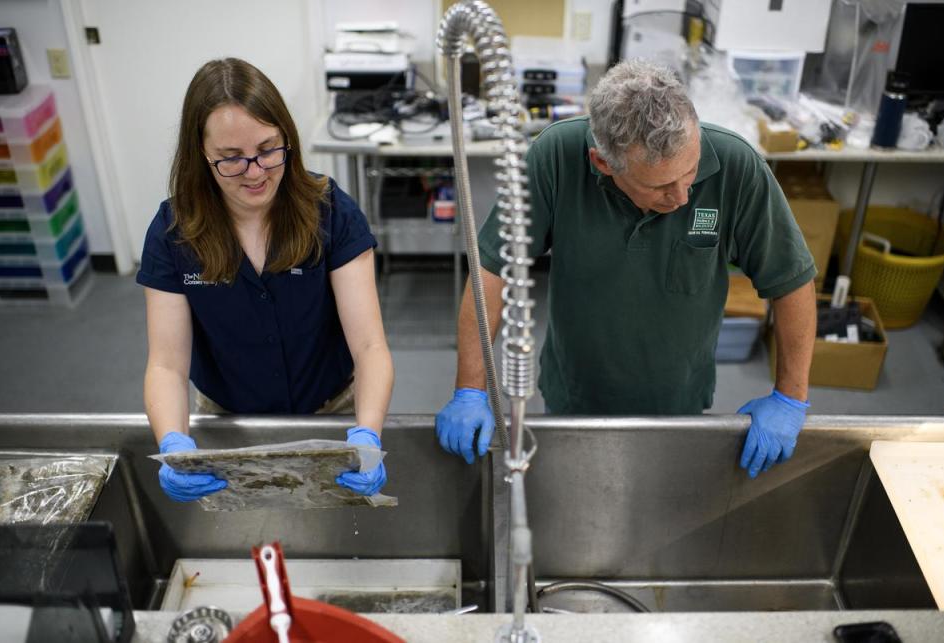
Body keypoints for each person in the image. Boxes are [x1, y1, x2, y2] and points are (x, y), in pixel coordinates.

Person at [436, 59, 816, 478]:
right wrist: (470, 388)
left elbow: (791, 278)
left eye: (690, 173)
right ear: (603, 163)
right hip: (574, 393)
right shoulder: (555, 157)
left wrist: (790, 397)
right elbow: (493, 269)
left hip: (679, 397)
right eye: (660, 185)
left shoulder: (735, 164)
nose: (682, 196)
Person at [137, 58, 393, 502]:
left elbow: (370, 347)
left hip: (333, 412)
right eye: (231, 159)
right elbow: (166, 365)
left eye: (268, 149)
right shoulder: (172, 232)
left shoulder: (331, 212)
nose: (255, 172)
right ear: (202, 154)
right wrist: (173, 443)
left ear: (286, 138)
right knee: (247, 542)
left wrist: (366, 434)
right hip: (228, 420)